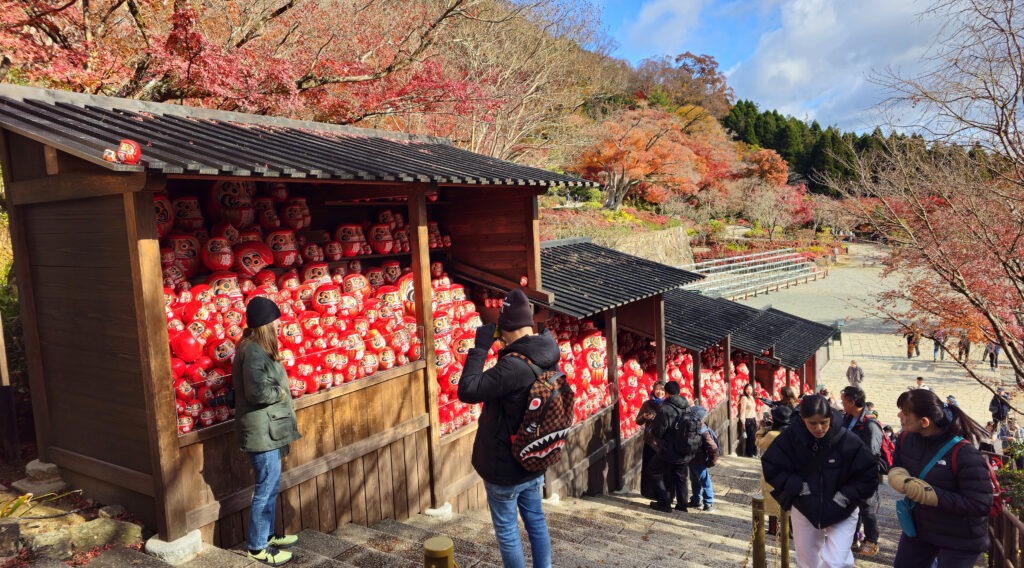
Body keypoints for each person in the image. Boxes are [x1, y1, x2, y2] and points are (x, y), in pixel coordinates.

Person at [458, 289, 559, 568]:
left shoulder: (514, 366)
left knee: (507, 530)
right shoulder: (548, 353)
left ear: (505, 327)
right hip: (535, 457)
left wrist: (479, 348)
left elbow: (468, 389)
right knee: (536, 520)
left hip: (506, 465)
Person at [761, 395, 878, 568]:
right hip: (805, 505)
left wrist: (846, 495)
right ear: (802, 419)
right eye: (812, 423)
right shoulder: (791, 438)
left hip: (842, 507)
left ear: (830, 417)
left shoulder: (846, 439)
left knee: (836, 562)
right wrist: (798, 487)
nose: (819, 428)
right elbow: (772, 466)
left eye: (824, 422)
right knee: (808, 563)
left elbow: (868, 473)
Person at [888, 389, 993, 566]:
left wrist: (932, 495)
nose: (899, 416)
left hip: (960, 538)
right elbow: (898, 463)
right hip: (920, 529)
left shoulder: (965, 454)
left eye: (905, 413)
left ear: (924, 422)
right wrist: (896, 474)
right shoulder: (906, 438)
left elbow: (981, 504)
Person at [234, 297, 301, 566]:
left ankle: (268, 535)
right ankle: (257, 547)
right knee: (265, 488)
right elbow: (256, 391)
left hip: (268, 426)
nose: (278, 324)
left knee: (271, 486)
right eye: (275, 321)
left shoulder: (256, 347)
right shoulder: (252, 351)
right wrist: (281, 391)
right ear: (265, 323)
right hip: (262, 430)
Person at [840, 386, 884, 557]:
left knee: (867, 508)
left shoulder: (870, 424)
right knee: (852, 507)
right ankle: (852, 538)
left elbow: (872, 454)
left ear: (851, 402)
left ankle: (872, 541)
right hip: (849, 472)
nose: (842, 404)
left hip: (864, 474)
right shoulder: (848, 418)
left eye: (844, 401)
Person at [649, 380, 693, 512]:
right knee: (681, 477)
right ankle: (682, 505)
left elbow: (658, 431)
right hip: (686, 447)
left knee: (654, 470)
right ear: (678, 392)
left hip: (670, 448)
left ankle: (664, 502)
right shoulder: (687, 405)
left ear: (666, 393)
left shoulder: (665, 408)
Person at [756, 405, 794, 536]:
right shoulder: (793, 433)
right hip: (789, 472)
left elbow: (759, 443)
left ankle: (773, 528)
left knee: (772, 500)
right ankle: (790, 530)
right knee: (788, 502)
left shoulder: (772, 434)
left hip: (773, 471)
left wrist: (762, 429)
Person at [635, 381, 667, 500]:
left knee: (661, 468)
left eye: (662, 390)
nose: (660, 392)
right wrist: (644, 417)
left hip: (663, 441)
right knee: (648, 466)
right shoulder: (647, 404)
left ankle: (662, 492)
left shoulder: (667, 404)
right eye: (658, 389)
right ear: (653, 390)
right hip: (649, 440)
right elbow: (637, 421)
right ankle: (648, 491)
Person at [687, 406, 719, 512]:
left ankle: (708, 502)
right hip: (694, 460)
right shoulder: (699, 428)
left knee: (704, 482)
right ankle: (696, 500)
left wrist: (710, 462)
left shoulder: (701, 431)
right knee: (696, 480)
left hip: (697, 460)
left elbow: (713, 448)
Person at [738, 384, 758, 457]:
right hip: (747, 420)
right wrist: (743, 422)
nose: (749, 391)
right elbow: (742, 410)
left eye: (750, 389)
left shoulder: (752, 397)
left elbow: (754, 410)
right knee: (750, 438)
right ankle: (749, 454)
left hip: (753, 419)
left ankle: (754, 453)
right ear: (745, 390)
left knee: (754, 437)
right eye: (747, 389)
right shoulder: (744, 398)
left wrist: (756, 419)